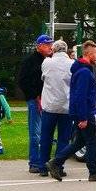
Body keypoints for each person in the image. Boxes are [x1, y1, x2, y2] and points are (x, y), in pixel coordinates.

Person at [49, 41, 96, 181]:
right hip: (85, 113)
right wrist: (83, 117)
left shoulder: (82, 70)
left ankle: (56, 162)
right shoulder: (84, 72)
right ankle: (94, 172)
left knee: (79, 142)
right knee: (92, 142)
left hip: (81, 112)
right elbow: (80, 96)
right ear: (89, 54)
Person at [39, 40, 76, 174]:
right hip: (66, 106)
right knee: (63, 139)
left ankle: (43, 167)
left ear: (53, 50)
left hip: (49, 105)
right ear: (66, 50)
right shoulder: (72, 64)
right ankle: (58, 166)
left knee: (46, 137)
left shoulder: (47, 62)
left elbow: (43, 78)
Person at [20, 35, 51, 174]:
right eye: (47, 44)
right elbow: (23, 81)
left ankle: (44, 160)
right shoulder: (30, 61)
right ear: (39, 46)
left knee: (46, 132)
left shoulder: (49, 61)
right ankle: (34, 162)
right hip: (35, 99)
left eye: (51, 44)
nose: (50, 47)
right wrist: (35, 96)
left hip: (48, 100)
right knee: (35, 132)